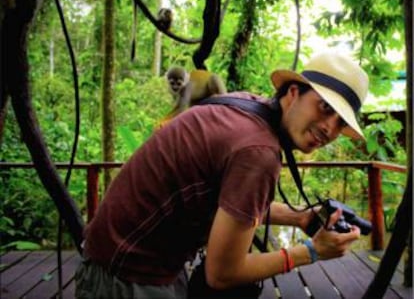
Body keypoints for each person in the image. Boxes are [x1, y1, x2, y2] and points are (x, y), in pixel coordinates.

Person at [75, 52, 369, 298]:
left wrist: (300, 218)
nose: (329, 128)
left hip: (121, 261)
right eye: (324, 107)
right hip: (127, 277)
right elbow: (223, 273)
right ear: (294, 93)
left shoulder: (245, 106)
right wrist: (312, 251)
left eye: (340, 122)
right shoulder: (257, 152)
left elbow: (230, 206)